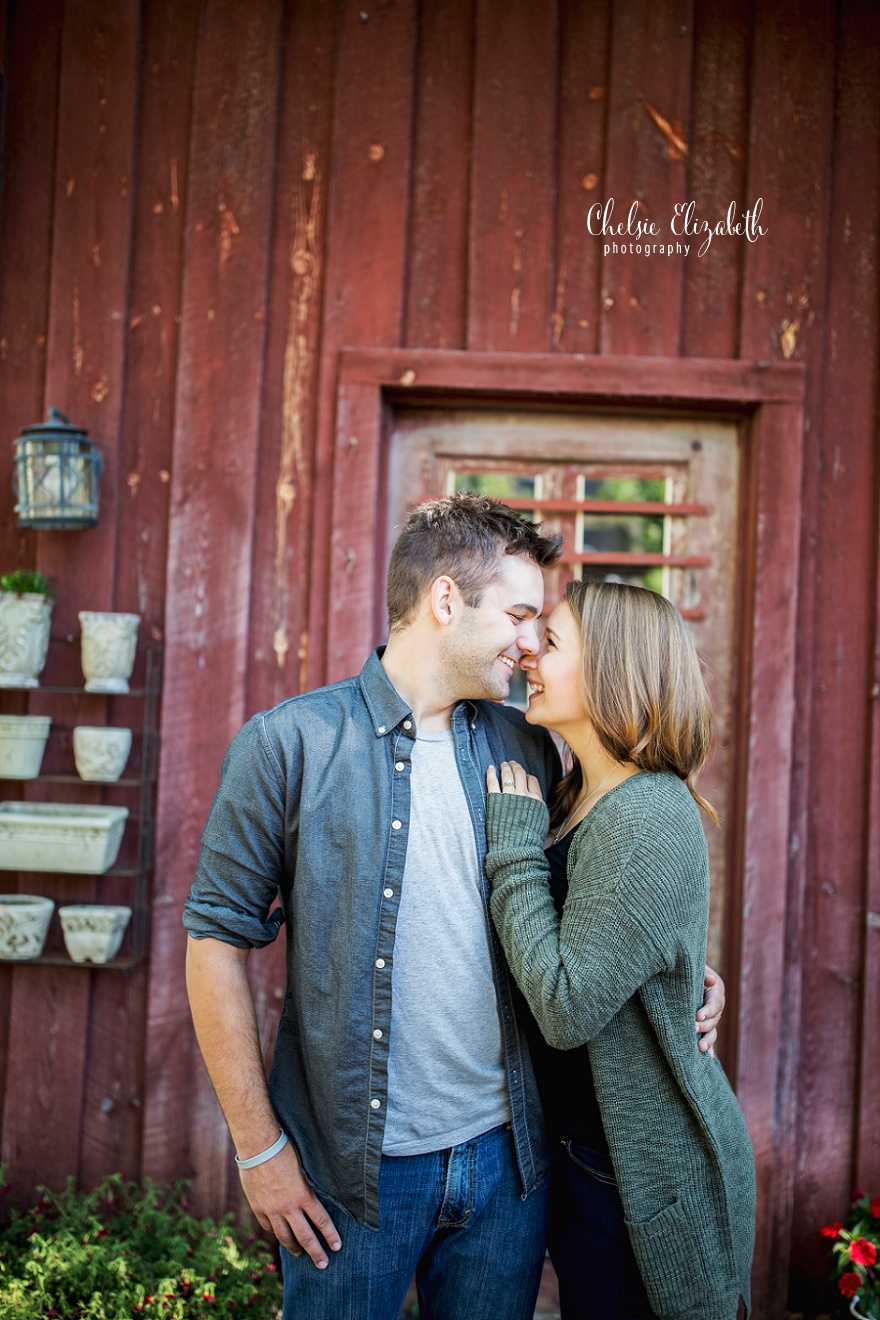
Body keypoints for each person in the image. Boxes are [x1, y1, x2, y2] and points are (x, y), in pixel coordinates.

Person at [183, 495, 726, 1320]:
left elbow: (611, 906)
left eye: (542, 627)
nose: (529, 641)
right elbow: (215, 943)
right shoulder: (288, 744)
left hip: (508, 1171)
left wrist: (686, 981)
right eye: (517, 614)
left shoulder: (532, 749)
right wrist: (260, 1152)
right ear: (445, 600)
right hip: (352, 1175)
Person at [484, 579, 756, 1320]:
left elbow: (568, 1009)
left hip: (642, 1182)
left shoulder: (645, 812)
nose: (530, 652)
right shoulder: (578, 798)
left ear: (612, 670)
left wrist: (512, 849)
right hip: (588, 1163)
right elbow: (605, 945)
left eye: (555, 641)